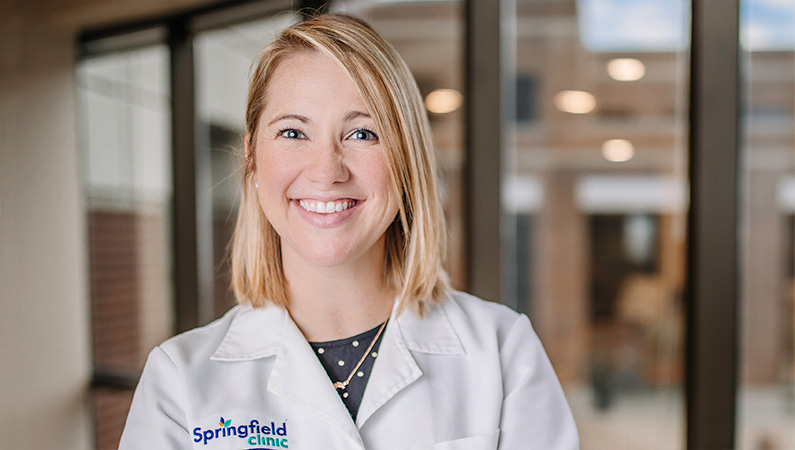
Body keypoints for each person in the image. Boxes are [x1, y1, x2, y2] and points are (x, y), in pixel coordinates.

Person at [119, 13, 578, 450]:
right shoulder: (180, 382)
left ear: (405, 158)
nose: (327, 171)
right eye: (293, 133)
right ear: (252, 159)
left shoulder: (502, 352)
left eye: (362, 134)